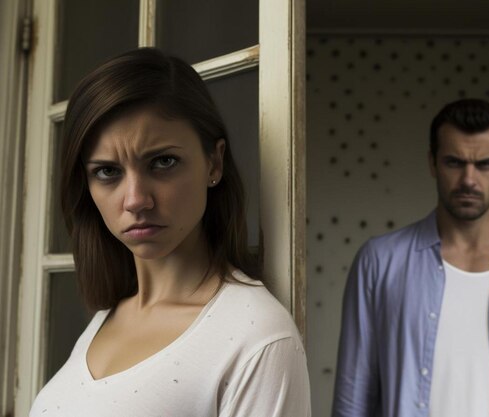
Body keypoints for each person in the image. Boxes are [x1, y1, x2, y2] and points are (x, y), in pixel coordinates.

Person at [29, 48, 311, 417]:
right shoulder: (106, 318)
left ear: (214, 162)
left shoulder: (257, 338)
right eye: (107, 172)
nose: (135, 200)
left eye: (163, 162)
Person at [332, 99, 489, 417]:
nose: (469, 180)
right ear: (432, 163)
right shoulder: (379, 262)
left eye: (485, 164)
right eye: (455, 162)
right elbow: (352, 401)